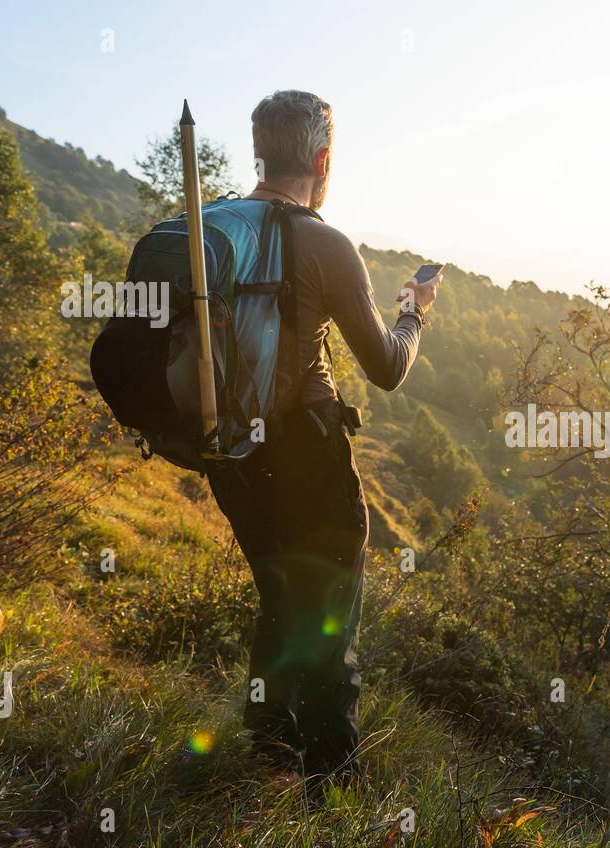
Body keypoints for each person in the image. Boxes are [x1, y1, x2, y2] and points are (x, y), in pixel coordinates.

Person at [206, 89, 440, 775]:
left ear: (259, 150)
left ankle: (267, 753)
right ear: (322, 157)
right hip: (306, 452)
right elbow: (387, 367)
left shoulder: (214, 226)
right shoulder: (325, 244)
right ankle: (332, 792)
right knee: (331, 625)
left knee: (279, 598)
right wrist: (414, 310)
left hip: (231, 454)